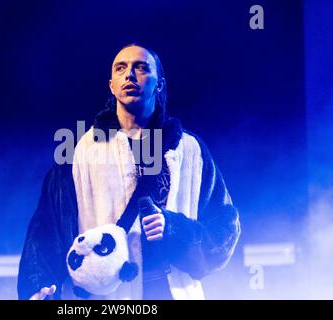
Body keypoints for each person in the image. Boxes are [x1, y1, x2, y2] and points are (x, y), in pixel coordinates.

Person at [17, 44, 241, 300]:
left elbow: (224, 224)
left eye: (141, 67)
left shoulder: (190, 150)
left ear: (159, 83)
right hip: (109, 297)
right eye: (121, 68)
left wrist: (174, 229)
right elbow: (48, 225)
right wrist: (40, 284)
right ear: (112, 85)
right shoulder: (81, 151)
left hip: (173, 290)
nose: (130, 75)